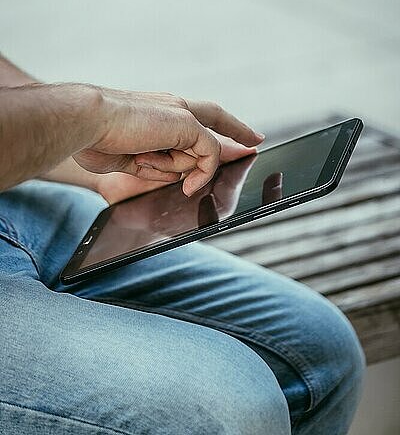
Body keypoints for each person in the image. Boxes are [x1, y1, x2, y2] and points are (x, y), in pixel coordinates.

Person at [0, 53, 365, 435]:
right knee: (227, 404)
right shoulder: (87, 112)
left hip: (17, 193)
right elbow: (85, 114)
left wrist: (87, 158)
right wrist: (90, 114)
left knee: (318, 345)